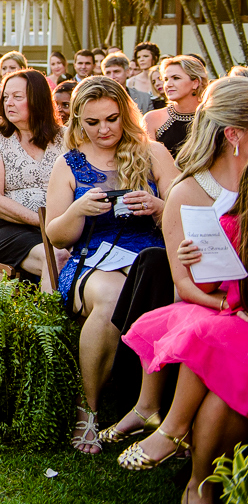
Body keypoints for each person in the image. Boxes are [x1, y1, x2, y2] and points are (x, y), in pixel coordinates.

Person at [99, 77, 248, 449]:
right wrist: (224, 301)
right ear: (234, 135)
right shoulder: (188, 192)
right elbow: (187, 286)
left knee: (212, 335)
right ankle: (177, 441)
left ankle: (175, 439)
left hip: (232, 305)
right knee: (207, 331)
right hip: (214, 302)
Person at [44, 76, 178, 454]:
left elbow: (185, 213)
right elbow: (56, 236)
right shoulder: (69, 164)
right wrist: (78, 210)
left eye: (112, 119)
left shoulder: (153, 153)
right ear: (78, 122)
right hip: (92, 259)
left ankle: (160, 406)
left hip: (151, 259)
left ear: (126, 114)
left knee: (161, 290)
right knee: (111, 297)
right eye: (93, 122)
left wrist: (158, 207)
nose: (104, 129)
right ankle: (87, 410)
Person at [116, 167, 248, 500]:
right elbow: (211, 284)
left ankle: (193, 471)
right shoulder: (237, 216)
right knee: (209, 341)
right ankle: (198, 478)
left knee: (215, 345)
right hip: (236, 314)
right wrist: (195, 262)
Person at [0, 69, 69, 288]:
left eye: (17, 97)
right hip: (10, 229)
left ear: (38, 100)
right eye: (6, 97)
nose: (9, 103)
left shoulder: (65, 137)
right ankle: (48, 311)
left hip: (64, 225)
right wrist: (41, 221)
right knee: (56, 257)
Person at [144, 55, 208, 158]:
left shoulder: (212, 118)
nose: (168, 84)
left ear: (195, 83)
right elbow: (147, 161)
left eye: (176, 78)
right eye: (165, 79)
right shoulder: (152, 119)